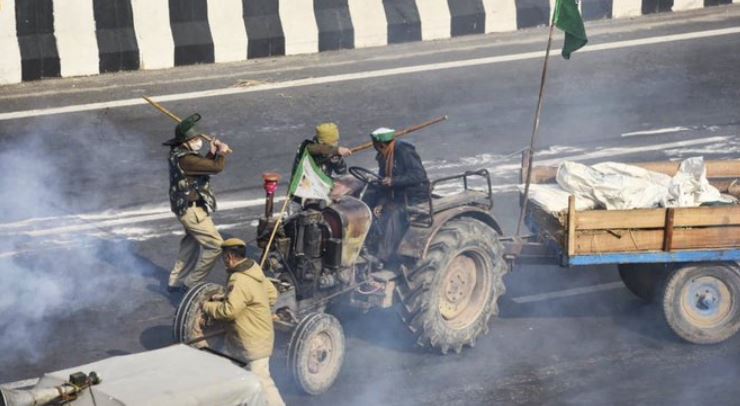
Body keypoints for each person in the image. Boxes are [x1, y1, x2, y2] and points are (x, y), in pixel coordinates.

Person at [202, 238, 285, 406]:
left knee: (263, 385)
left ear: (231, 257)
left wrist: (206, 306)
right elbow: (272, 295)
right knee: (244, 382)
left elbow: (228, 311)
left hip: (252, 343)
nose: (224, 262)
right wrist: (250, 308)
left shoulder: (238, 279)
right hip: (262, 336)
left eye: (224, 258)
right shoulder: (254, 269)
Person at [163, 113, 230, 293]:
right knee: (216, 246)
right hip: (192, 211)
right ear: (185, 141)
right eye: (195, 138)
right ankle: (191, 283)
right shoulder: (186, 159)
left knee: (190, 243)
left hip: (184, 208)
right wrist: (222, 153)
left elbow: (202, 165)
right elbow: (216, 168)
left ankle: (175, 281)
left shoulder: (179, 155)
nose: (198, 141)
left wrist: (212, 153)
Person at [365, 127, 430, 263]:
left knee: (392, 216)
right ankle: (367, 247)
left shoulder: (404, 151)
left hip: (414, 195)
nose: (375, 149)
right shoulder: (384, 156)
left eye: (376, 146)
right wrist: (380, 203)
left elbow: (419, 175)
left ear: (381, 145)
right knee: (368, 207)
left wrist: (394, 180)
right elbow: (382, 180)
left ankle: (384, 258)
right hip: (396, 194)